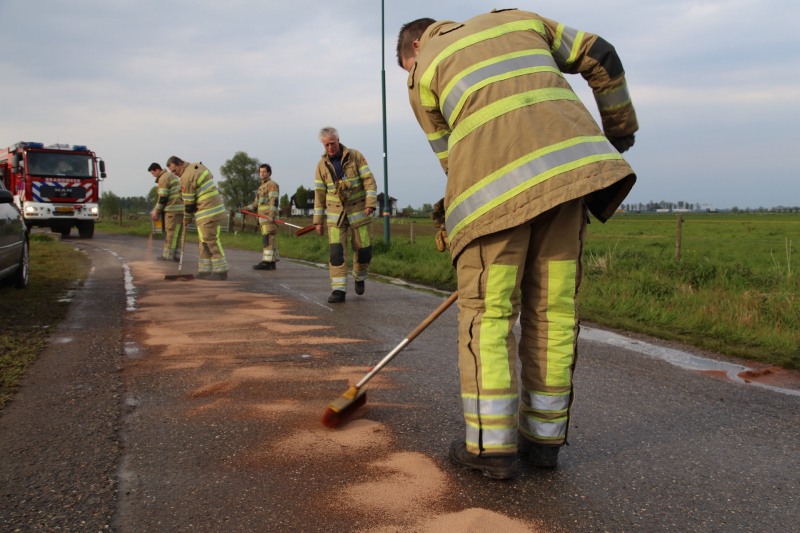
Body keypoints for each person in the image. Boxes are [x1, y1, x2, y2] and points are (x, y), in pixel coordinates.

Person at [396, 9, 638, 478]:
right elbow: (602, 54)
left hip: (494, 197)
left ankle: (491, 449)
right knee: (553, 311)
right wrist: (619, 130)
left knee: (489, 316)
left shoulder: (423, 71)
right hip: (570, 178)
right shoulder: (518, 20)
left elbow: (454, 161)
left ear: (415, 50)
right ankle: (543, 443)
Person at [313, 127, 378, 303]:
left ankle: (359, 276)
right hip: (336, 216)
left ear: (338, 141)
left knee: (364, 250)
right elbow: (319, 196)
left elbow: (369, 180)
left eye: (332, 143)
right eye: (326, 145)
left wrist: (371, 203)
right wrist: (317, 221)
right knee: (336, 253)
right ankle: (339, 290)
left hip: (359, 212)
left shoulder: (356, 156)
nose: (329, 148)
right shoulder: (321, 166)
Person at [166, 156, 229, 281]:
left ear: (179, 164)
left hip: (208, 211)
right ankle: (205, 271)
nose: (175, 174)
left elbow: (189, 204)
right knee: (203, 241)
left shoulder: (186, 177)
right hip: (208, 210)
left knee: (210, 240)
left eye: (174, 171)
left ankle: (221, 271)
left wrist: (187, 220)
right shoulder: (196, 166)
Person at [245, 163, 280, 270]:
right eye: (260, 172)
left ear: (269, 173)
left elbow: (274, 201)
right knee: (269, 239)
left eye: (264, 172)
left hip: (268, 218)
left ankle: (267, 262)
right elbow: (256, 204)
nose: (262, 174)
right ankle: (271, 262)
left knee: (268, 239)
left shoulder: (272, 185)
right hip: (262, 219)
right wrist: (245, 209)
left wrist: (271, 216)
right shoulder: (261, 187)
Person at [148, 162, 184, 261]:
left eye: (152, 173)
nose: (153, 175)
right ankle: (177, 256)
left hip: (172, 211)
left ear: (157, 170)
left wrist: (156, 211)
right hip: (180, 210)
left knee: (170, 234)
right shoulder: (172, 176)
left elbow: (163, 197)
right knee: (178, 234)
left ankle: (168, 257)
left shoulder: (163, 178)